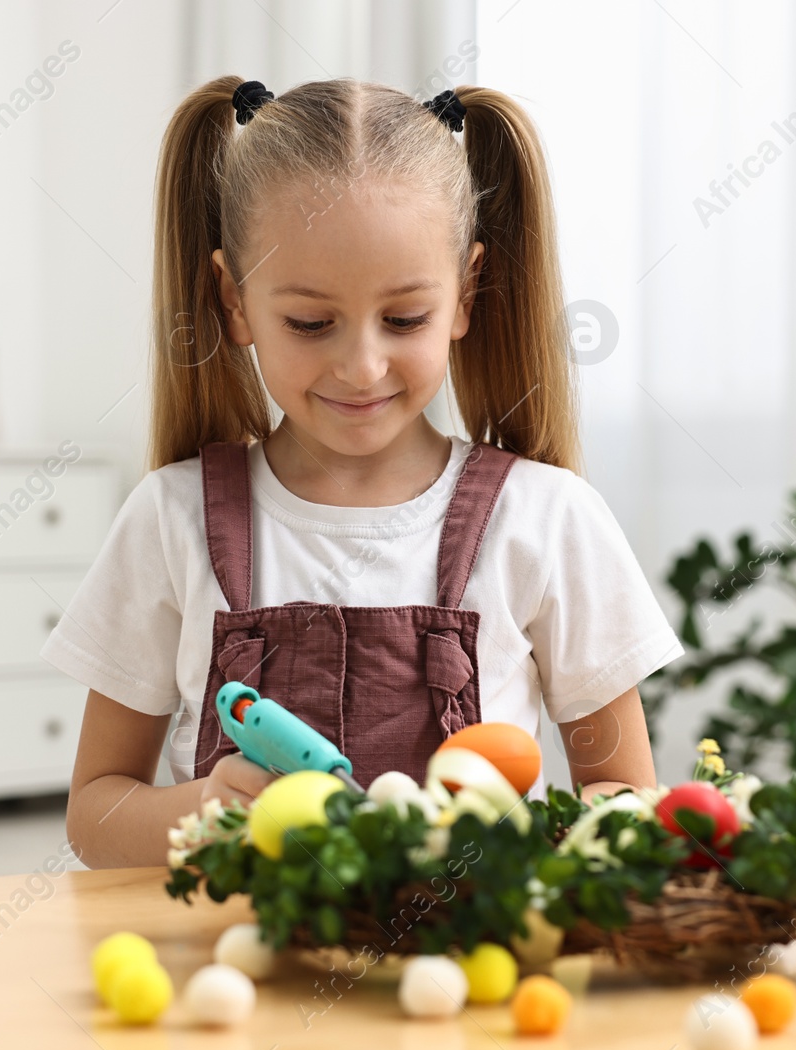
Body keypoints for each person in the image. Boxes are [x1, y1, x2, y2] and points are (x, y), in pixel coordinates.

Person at [43, 76, 683, 868]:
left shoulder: (547, 518)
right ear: (233, 300)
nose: (362, 365)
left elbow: (626, 800)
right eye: (311, 323)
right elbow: (95, 814)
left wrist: (517, 840)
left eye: (405, 318)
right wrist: (202, 809)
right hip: (244, 965)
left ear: (465, 294)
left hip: (469, 974)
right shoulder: (169, 518)